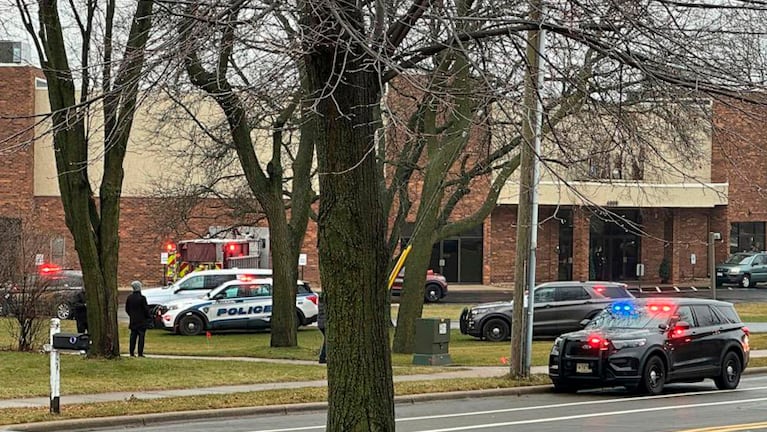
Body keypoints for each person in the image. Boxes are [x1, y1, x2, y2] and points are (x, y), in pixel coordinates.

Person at [125, 280, 151, 357]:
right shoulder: (142, 298)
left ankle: (131, 352)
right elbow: (146, 309)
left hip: (133, 320)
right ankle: (140, 353)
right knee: (141, 337)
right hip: (142, 321)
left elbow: (127, 309)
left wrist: (131, 315)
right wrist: (148, 317)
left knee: (133, 337)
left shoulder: (129, 298)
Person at [317, 292, 326, 364]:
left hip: (321, 323)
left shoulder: (320, 301)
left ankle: (322, 356)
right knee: (326, 341)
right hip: (323, 323)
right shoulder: (323, 303)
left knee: (326, 340)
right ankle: (322, 357)